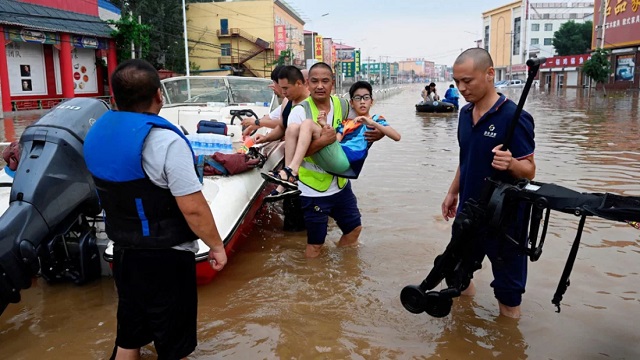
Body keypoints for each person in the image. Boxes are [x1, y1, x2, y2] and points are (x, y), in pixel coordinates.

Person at [83, 59, 228, 359]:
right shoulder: (165, 141)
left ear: (115, 98)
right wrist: (216, 246)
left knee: (129, 338)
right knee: (174, 347)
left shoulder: (96, 135)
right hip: (167, 257)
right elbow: (193, 209)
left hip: (123, 253)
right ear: (159, 95)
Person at [441, 48, 535, 318]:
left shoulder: (514, 118)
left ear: (489, 74)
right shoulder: (464, 114)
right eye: (457, 81)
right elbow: (466, 159)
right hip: (469, 212)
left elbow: (529, 170)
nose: (461, 88)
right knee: (457, 275)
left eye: (468, 81)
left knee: (508, 295)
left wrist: (512, 164)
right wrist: (452, 193)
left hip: (505, 219)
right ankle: (464, 327)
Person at [262, 62, 381, 258]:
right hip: (313, 189)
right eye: (315, 81)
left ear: (332, 84)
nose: (320, 86)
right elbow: (297, 153)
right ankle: (314, 283)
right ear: (307, 84)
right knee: (315, 244)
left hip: (340, 184)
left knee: (354, 230)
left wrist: (378, 133)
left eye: (325, 81)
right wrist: (324, 142)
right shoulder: (300, 112)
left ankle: (341, 272)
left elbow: (363, 121)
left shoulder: (343, 105)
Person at [263, 80, 400, 182]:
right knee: (293, 128)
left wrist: (371, 122)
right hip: (336, 156)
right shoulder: (346, 122)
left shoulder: (376, 119)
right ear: (352, 103)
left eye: (366, 98)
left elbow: (396, 136)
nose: (362, 102)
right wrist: (323, 125)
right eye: (358, 98)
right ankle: (286, 179)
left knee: (308, 124)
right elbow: (334, 141)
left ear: (372, 101)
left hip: (346, 161)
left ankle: (292, 170)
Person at [241, 65, 286, 135]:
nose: (273, 86)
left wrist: (255, 122)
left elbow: (283, 124)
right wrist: (250, 128)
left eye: (274, 83)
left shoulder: (293, 102)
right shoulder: (286, 102)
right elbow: (269, 117)